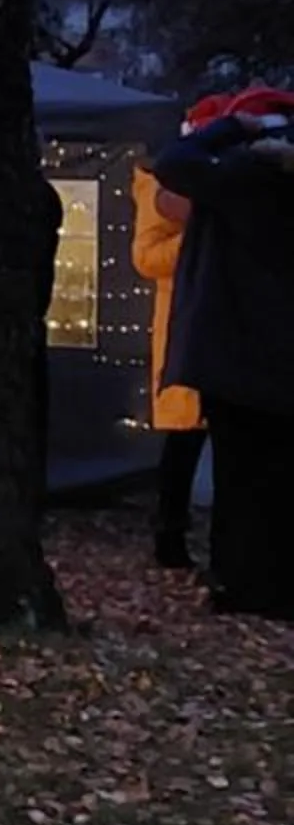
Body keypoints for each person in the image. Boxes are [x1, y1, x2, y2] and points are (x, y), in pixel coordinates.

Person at [150, 86, 294, 619]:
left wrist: (230, 128)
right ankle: (276, 585)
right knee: (276, 476)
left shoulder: (244, 179)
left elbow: (174, 162)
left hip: (238, 351)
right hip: (278, 354)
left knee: (241, 478)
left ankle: (244, 585)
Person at [132, 164, 205, 569]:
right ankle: (170, 532)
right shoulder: (157, 187)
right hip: (184, 325)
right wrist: (199, 239)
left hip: (223, 323)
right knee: (184, 437)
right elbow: (146, 258)